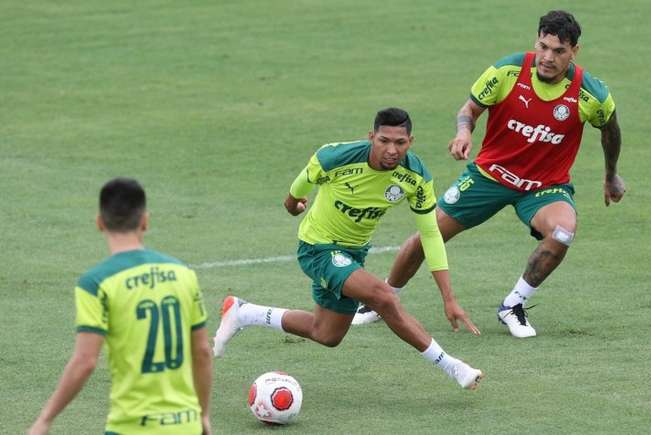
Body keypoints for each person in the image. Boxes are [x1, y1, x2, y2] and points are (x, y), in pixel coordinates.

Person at [352, 11, 626, 338]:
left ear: (574, 52)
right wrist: (464, 133)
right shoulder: (508, 71)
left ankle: (513, 305)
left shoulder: (590, 94)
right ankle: (384, 298)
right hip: (489, 176)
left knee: (564, 232)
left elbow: (610, 130)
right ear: (536, 42)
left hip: (543, 187)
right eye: (543, 47)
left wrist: (611, 175)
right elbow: (469, 110)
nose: (548, 57)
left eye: (558, 51)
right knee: (430, 234)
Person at [213, 107, 483, 389]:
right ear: (371, 137)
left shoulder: (415, 176)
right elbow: (299, 187)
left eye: (400, 143)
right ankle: (454, 367)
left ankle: (243, 312)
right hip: (317, 248)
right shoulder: (334, 157)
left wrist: (448, 297)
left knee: (326, 334)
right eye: (384, 141)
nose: (392, 149)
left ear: (410, 142)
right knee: (384, 297)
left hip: (353, 254)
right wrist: (293, 204)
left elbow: (430, 233)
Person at [28, 178, 213, 435]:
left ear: (99, 223)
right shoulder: (183, 273)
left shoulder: (96, 282)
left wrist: (45, 419)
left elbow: (85, 361)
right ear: (145, 221)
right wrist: (202, 414)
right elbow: (202, 351)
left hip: (131, 426)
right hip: (185, 424)